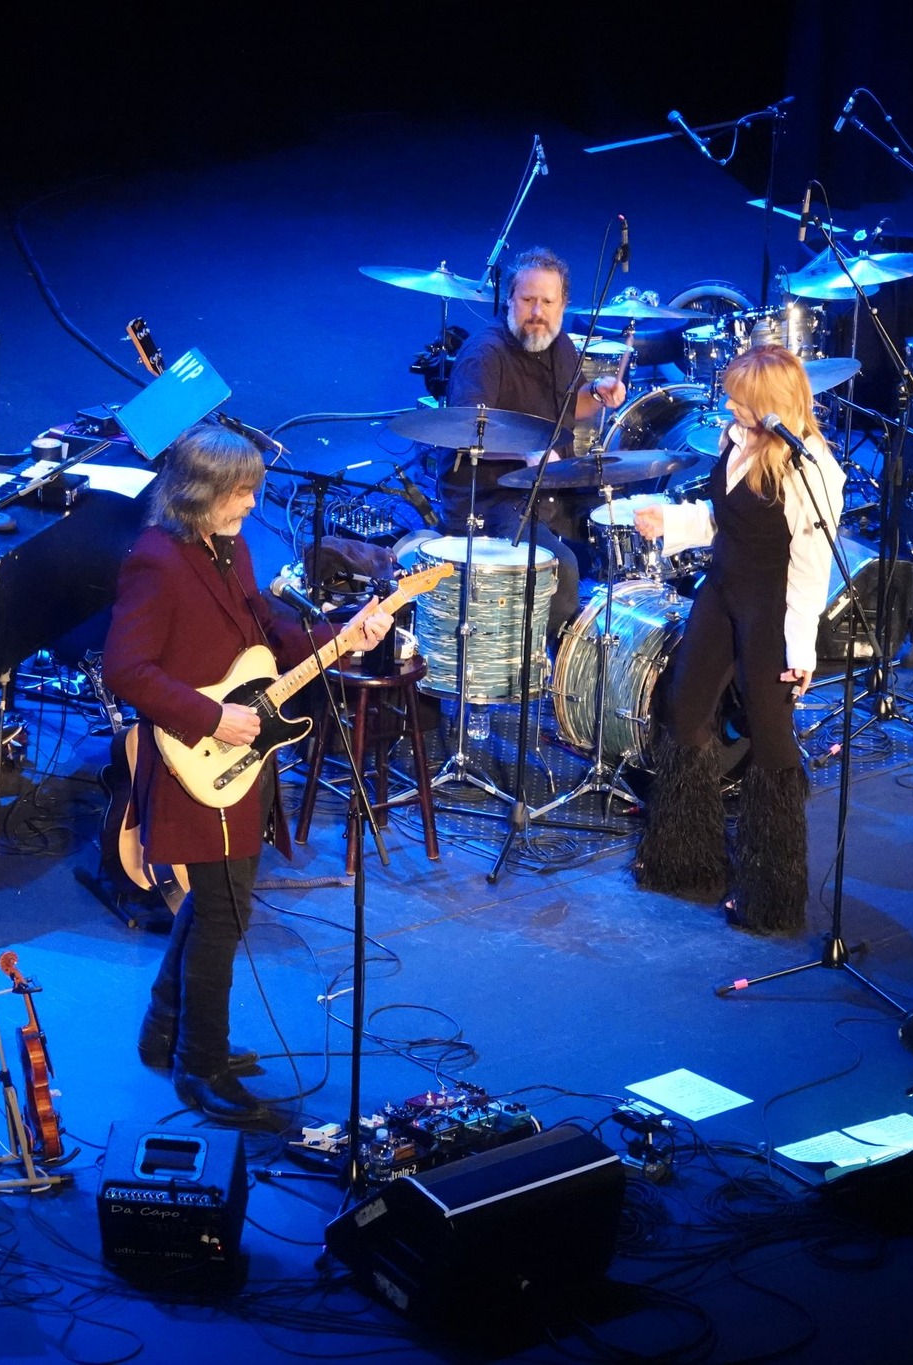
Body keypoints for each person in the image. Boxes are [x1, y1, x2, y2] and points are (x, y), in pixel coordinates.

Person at [105, 422, 392, 1126]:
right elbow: (125, 669)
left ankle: (166, 1030)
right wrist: (209, 717)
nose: (250, 505)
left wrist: (343, 635)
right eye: (240, 493)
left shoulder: (227, 546)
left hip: (242, 756)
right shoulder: (156, 558)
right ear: (200, 491)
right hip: (197, 758)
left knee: (218, 903)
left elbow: (265, 632)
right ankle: (201, 1067)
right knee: (225, 911)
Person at [629, 346, 843, 935]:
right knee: (685, 709)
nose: (727, 403)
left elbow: (809, 570)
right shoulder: (735, 439)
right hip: (721, 592)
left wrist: (800, 651)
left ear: (771, 404)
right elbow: (728, 521)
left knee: (772, 745)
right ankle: (688, 863)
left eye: (738, 396)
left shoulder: (813, 471)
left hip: (768, 611)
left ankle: (772, 898)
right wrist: (670, 521)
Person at [438, 246, 626, 634]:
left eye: (547, 302)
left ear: (562, 305)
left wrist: (598, 393)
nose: (537, 313)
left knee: (623, 528)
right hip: (491, 498)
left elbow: (571, 407)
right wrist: (529, 451)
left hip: (549, 489)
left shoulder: (562, 347)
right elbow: (463, 432)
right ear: (510, 299)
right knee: (561, 567)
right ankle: (539, 668)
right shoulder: (484, 355)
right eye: (527, 300)